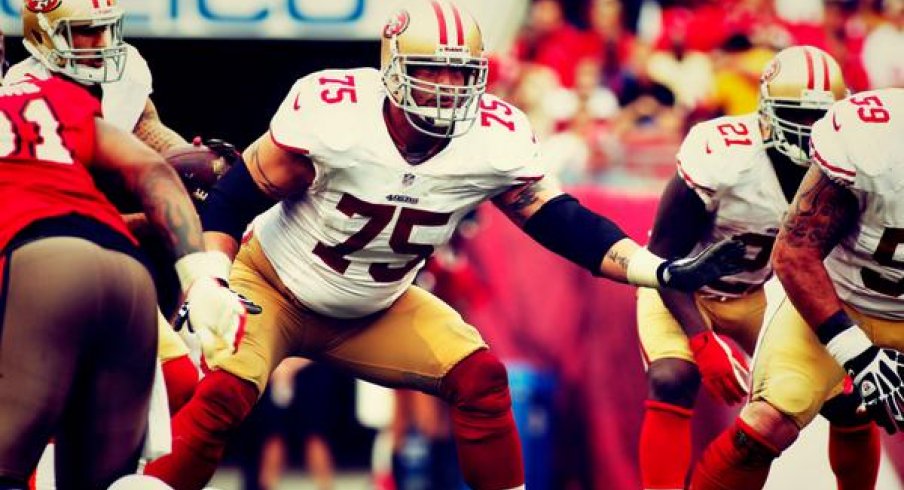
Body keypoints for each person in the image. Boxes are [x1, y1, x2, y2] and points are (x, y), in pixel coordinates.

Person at [144, 2, 745, 489]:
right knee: (222, 396)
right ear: (393, 68)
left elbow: (562, 222)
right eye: (432, 70)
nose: (447, 88)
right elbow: (234, 198)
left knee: (483, 379)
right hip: (277, 286)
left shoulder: (492, 135)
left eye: (461, 74)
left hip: (378, 306)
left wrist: (654, 270)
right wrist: (208, 280)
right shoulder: (335, 112)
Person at [0, 71, 251, 488]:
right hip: (128, 274)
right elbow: (153, 171)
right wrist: (200, 276)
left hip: (39, 269)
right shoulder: (50, 96)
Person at [637, 45, 852, 490]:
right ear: (767, 111)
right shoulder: (722, 154)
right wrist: (701, 340)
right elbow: (661, 258)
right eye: (796, 113)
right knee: (673, 378)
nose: (810, 130)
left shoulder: (845, 163)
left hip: (756, 295)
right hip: (680, 288)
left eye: (820, 117)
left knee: (848, 396)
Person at [8, 0, 228, 412]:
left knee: (176, 378)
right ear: (43, 35)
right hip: (35, 261)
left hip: (103, 256)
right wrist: (155, 219)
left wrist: (189, 164)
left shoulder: (124, 69)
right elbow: (58, 217)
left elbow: (146, 129)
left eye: (107, 28)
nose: (102, 43)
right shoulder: (27, 96)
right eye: (86, 31)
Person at [689, 87, 904, 489]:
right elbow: (794, 253)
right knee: (765, 425)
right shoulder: (873, 137)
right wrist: (856, 353)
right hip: (844, 299)